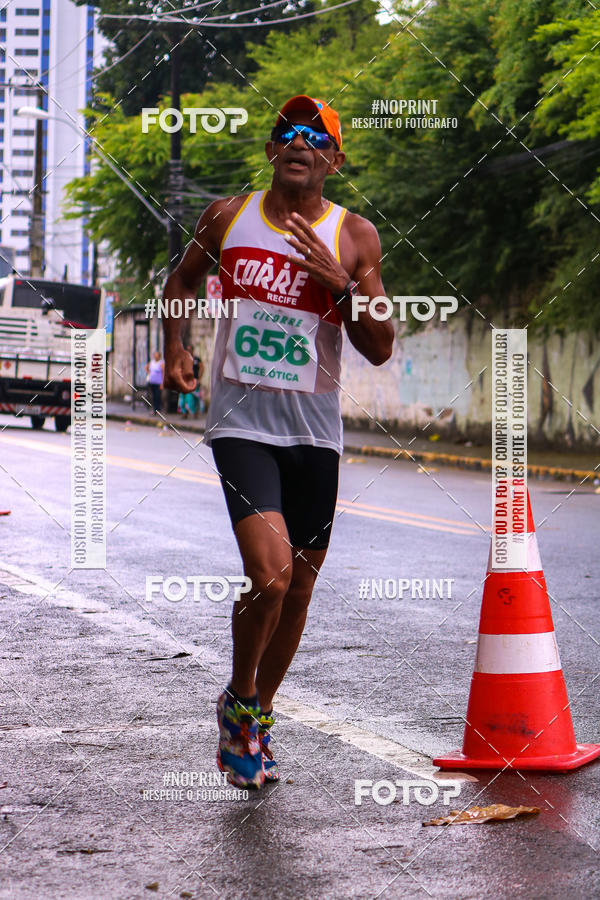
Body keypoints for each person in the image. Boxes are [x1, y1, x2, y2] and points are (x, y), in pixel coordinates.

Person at [163, 95, 394, 788]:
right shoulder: (228, 217)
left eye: (316, 136)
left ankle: (260, 713)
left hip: (314, 436)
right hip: (242, 426)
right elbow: (181, 279)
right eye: (287, 132)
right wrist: (175, 346)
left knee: (298, 591)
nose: (300, 141)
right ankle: (239, 702)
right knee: (271, 575)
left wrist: (341, 285)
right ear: (271, 150)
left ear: (334, 159)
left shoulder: (355, 236)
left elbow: (381, 344)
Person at [178, 345, 204, 418]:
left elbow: (202, 368)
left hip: (194, 381)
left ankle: (195, 413)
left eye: (190, 350)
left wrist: (199, 378)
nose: (189, 351)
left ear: (192, 350)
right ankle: (184, 413)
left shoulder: (197, 359)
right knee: (184, 397)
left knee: (194, 397)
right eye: (188, 350)